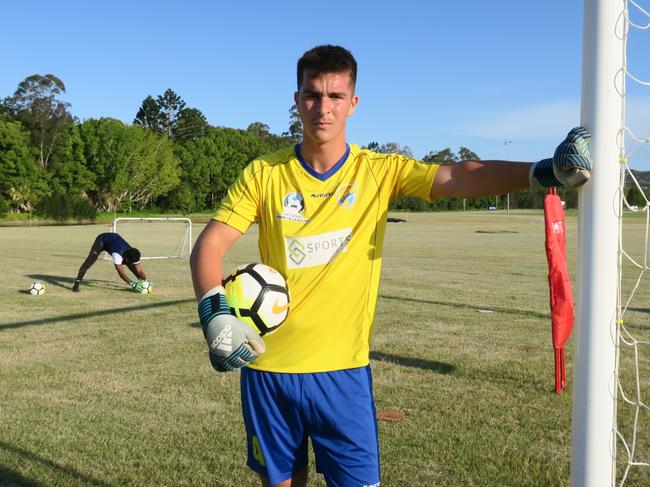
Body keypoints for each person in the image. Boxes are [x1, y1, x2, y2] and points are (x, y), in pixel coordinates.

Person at [190, 45, 592, 487]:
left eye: (335, 96)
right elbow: (209, 246)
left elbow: (458, 176)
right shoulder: (263, 174)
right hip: (269, 371)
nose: (323, 108)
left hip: (342, 373)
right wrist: (215, 314)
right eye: (312, 95)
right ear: (296, 99)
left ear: (353, 103)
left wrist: (541, 170)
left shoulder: (377, 171)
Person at [73, 232, 149, 292]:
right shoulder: (117, 256)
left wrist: (145, 281)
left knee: (132, 267)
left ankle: (142, 282)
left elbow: (139, 270)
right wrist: (132, 284)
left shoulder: (134, 254)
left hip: (114, 239)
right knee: (88, 262)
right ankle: (76, 283)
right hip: (102, 239)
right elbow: (121, 274)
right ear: (126, 259)